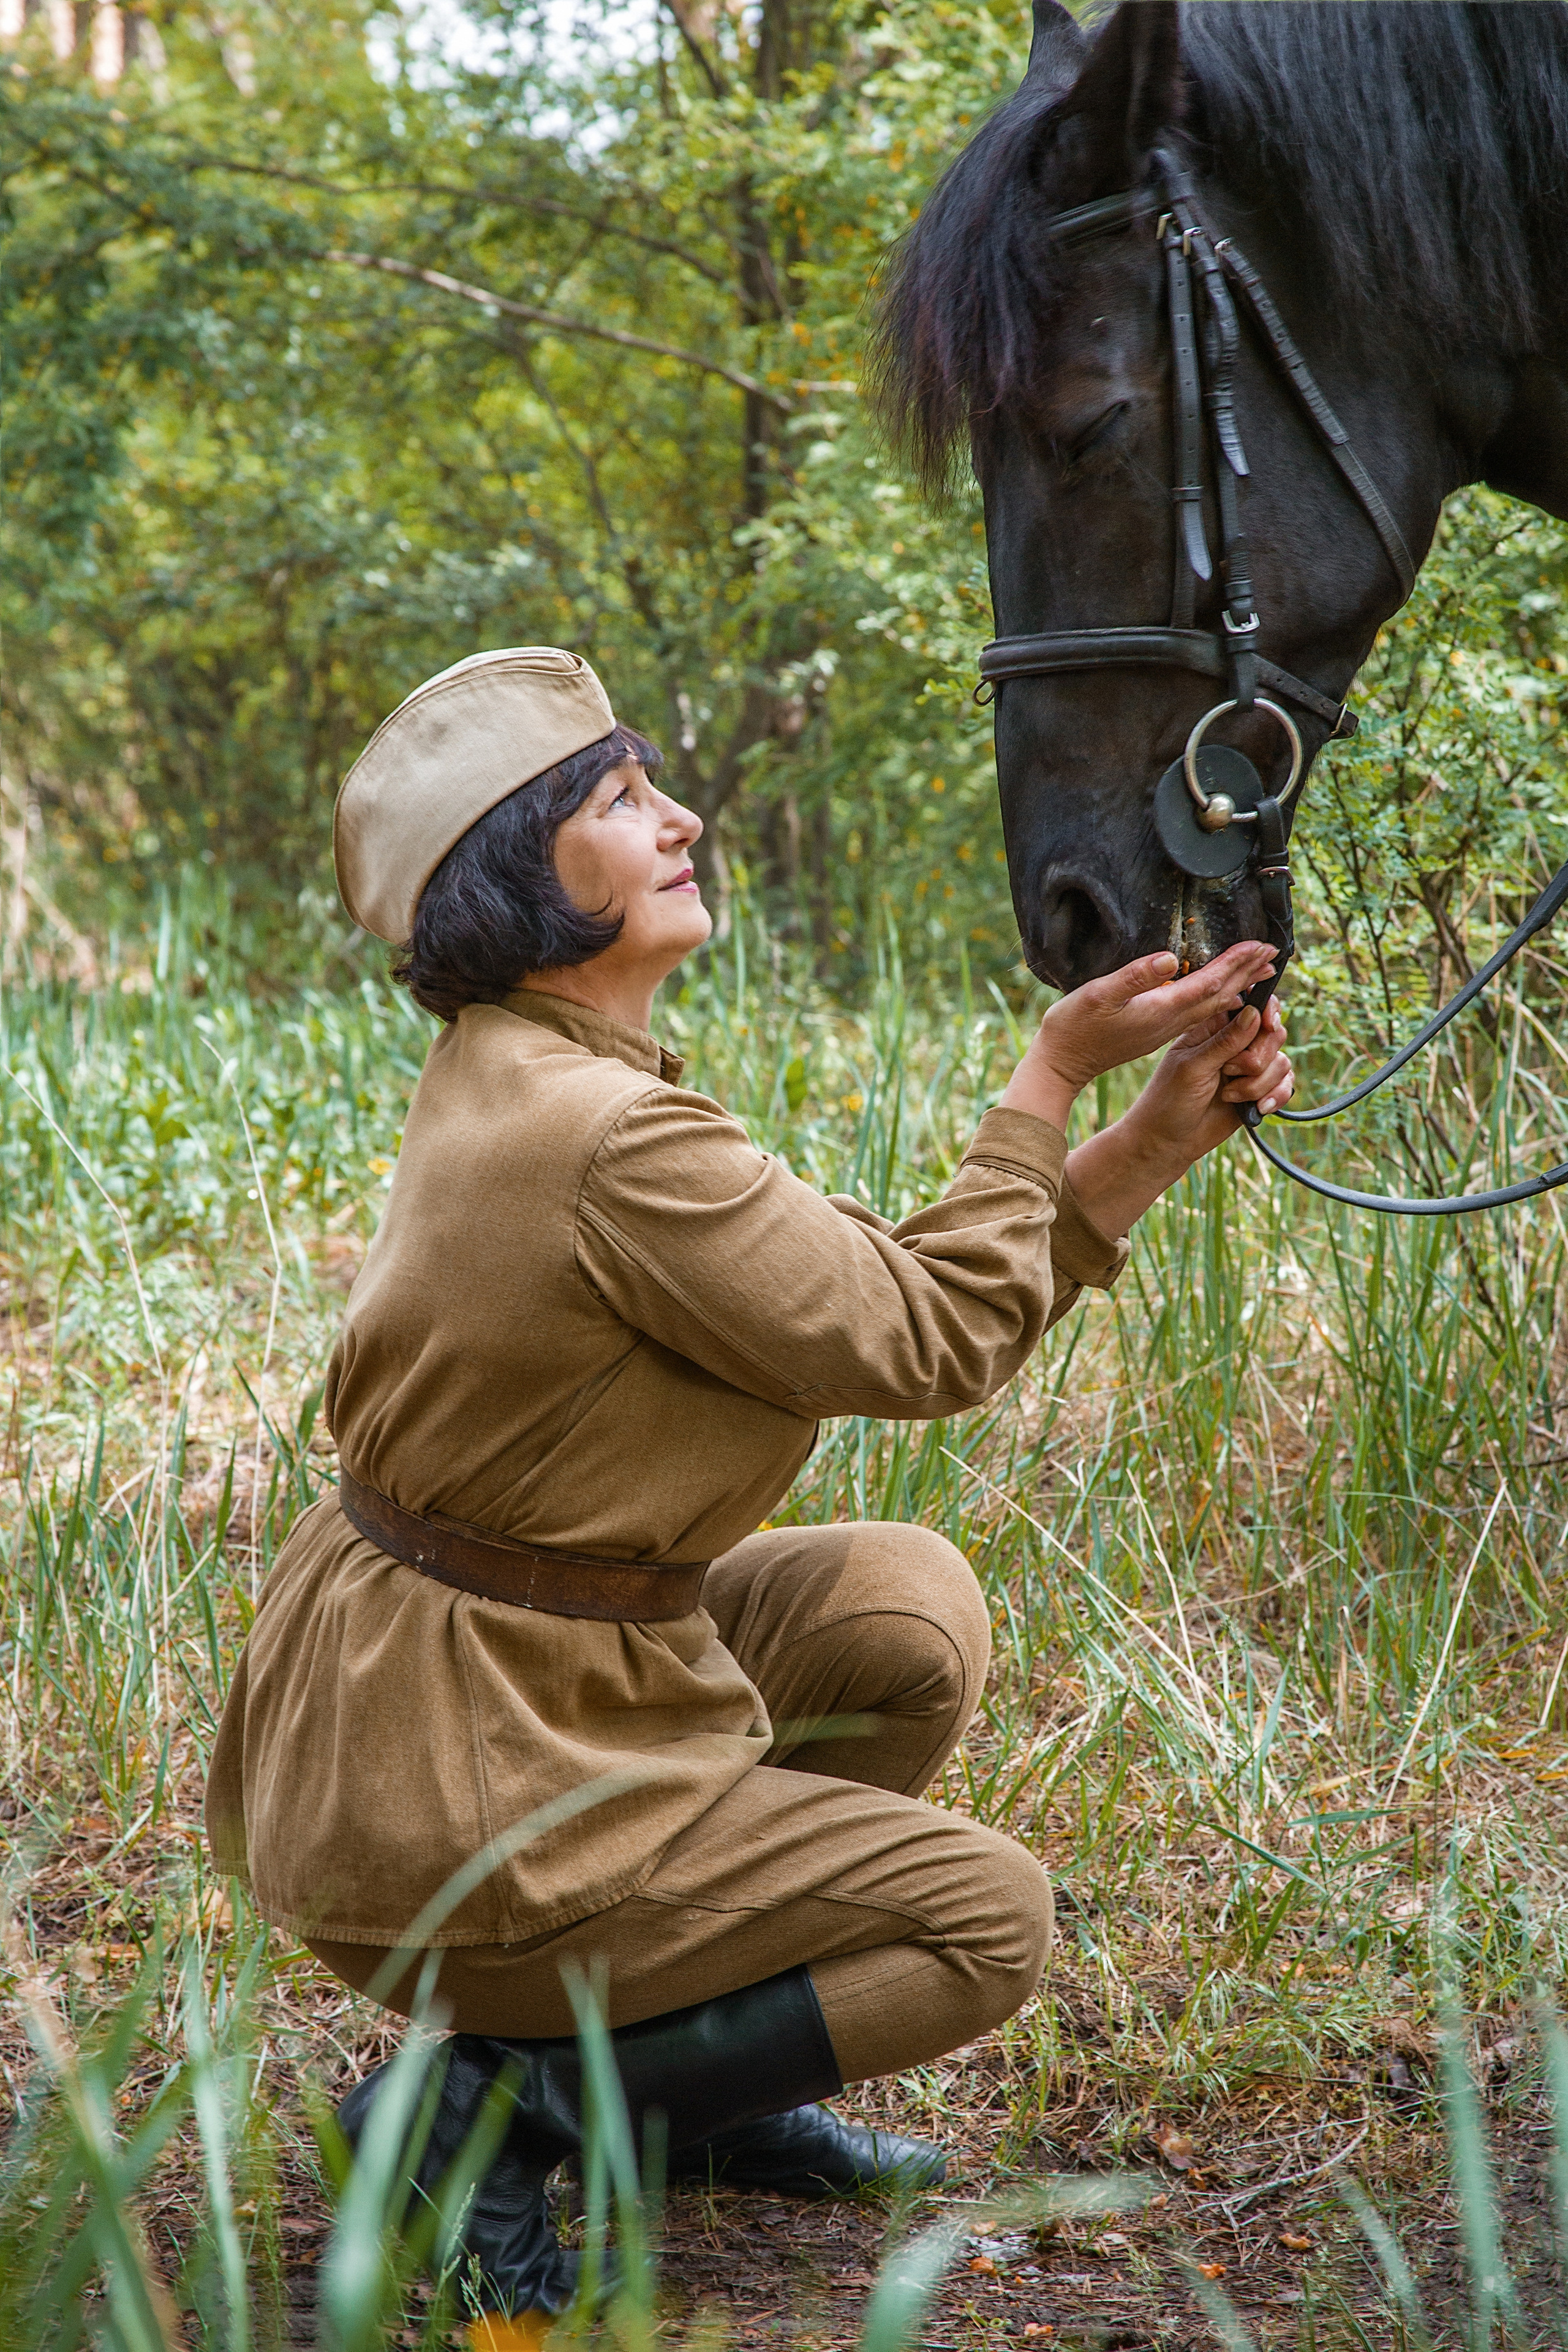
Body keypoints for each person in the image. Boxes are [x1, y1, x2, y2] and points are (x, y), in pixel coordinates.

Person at [205, 647, 1292, 2334]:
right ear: (518, 868)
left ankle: (686, 2091)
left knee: (899, 1610)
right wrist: (1054, 1077)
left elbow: (891, 1297)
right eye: (620, 800)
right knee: (981, 1925)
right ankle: (493, 2114)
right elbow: (926, 1336)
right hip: (456, 1781)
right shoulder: (607, 1139)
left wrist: (1148, 1136)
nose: (680, 815)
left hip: (454, 1699)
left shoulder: (537, 1073)